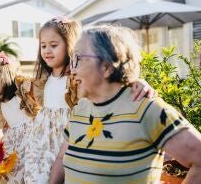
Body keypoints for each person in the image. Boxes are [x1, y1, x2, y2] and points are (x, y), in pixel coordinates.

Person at [51, 25, 201, 183]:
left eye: (78, 59)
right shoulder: (81, 109)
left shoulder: (147, 109)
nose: (71, 69)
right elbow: (62, 159)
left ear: (107, 67)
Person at [28, 17, 156, 183]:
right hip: (43, 143)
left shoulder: (77, 76)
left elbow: (109, 83)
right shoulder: (42, 79)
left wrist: (136, 82)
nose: (47, 51)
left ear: (70, 45)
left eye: (53, 45)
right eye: (43, 45)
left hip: (69, 136)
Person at [0, 53, 42, 183]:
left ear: (5, 73)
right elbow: (1, 131)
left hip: (34, 146)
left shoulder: (23, 91)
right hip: (15, 151)